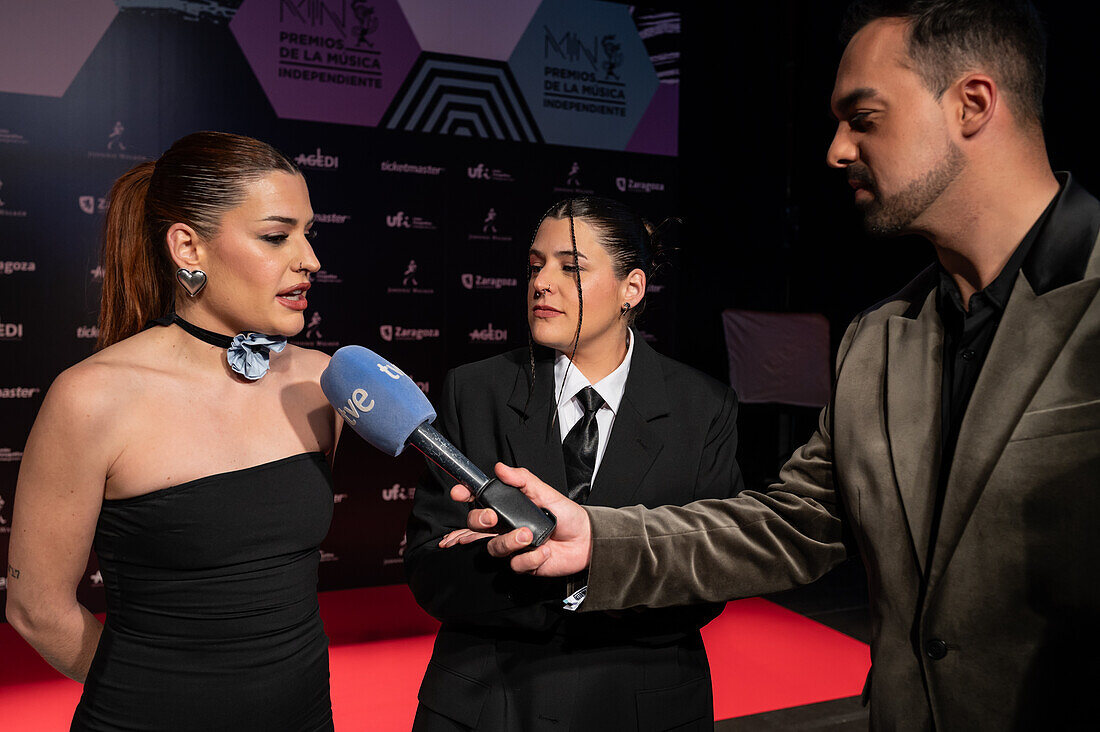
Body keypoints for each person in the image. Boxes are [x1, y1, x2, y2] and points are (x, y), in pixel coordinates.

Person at [450, 1, 1100, 729]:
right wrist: (601, 540)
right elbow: (797, 523)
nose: (835, 150)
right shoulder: (880, 339)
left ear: (972, 104)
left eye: (864, 116)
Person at [4, 131, 342, 731]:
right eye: (275, 235)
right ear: (188, 246)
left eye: (308, 232)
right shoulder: (92, 398)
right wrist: (152, 697)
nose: (309, 259)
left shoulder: (322, 384)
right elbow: (37, 610)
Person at [404, 196, 744, 730]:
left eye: (572, 267)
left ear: (632, 288)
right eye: (536, 264)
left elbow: (709, 577)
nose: (542, 281)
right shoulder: (476, 390)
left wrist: (577, 569)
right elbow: (430, 570)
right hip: (493, 704)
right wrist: (497, 553)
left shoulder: (703, 408)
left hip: (639, 704)